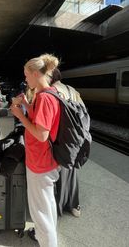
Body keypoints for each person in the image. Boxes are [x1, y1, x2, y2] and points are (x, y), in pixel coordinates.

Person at [10, 53, 61, 247]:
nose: (25, 79)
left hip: (41, 162)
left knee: (41, 213)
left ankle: (48, 243)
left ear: (34, 73)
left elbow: (42, 135)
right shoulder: (43, 95)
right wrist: (25, 105)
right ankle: (46, 239)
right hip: (42, 160)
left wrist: (18, 116)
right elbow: (39, 121)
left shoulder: (46, 98)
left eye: (26, 75)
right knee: (46, 208)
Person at [51, 68, 83, 218]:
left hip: (61, 137)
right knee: (72, 171)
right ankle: (74, 205)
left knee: (59, 173)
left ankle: (58, 207)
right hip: (75, 137)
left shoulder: (52, 91)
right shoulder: (72, 90)